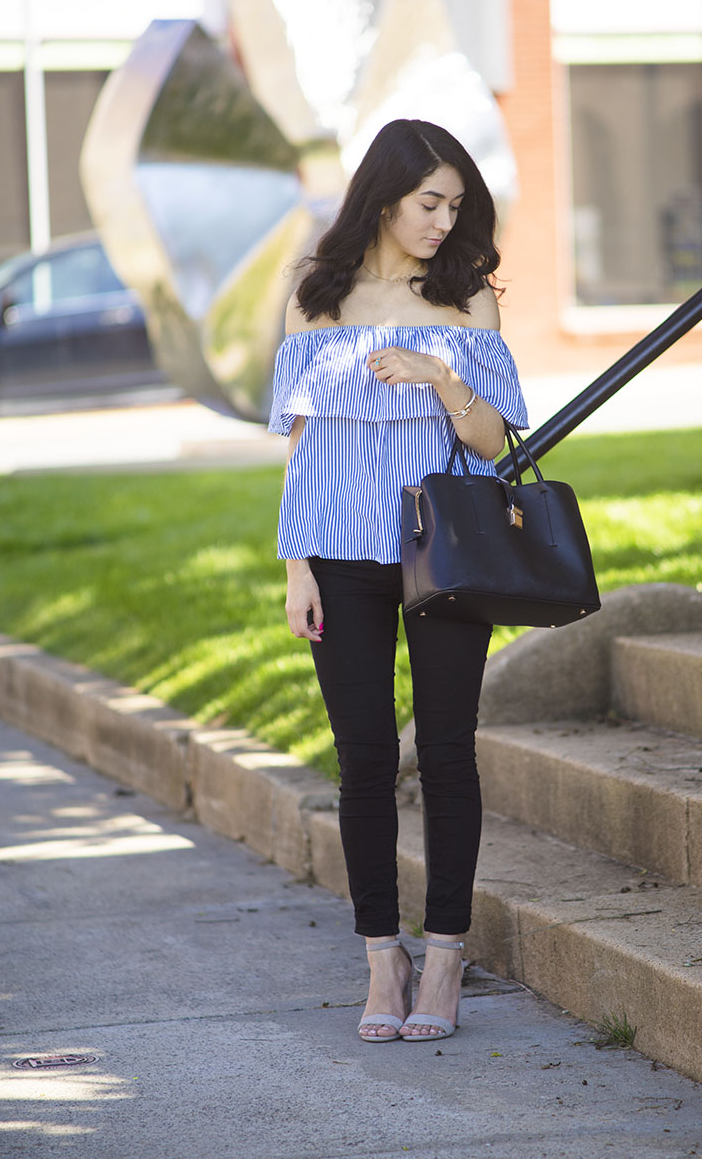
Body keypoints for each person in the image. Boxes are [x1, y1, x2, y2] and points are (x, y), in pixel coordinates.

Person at [269, 118, 528, 1042]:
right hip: (337, 555)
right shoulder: (319, 294)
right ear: (385, 197)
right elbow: (300, 443)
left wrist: (436, 375)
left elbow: (498, 444)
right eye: (430, 203)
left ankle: (447, 957)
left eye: (456, 205)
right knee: (366, 759)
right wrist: (295, 562)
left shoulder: (467, 300)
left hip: (444, 555)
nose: (443, 220)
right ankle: (384, 956)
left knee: (448, 752)